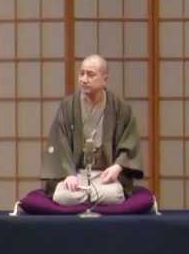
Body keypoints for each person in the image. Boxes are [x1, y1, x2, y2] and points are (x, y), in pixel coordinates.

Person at [40, 54, 144, 206]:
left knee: (113, 195)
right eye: (81, 73)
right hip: (77, 174)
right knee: (63, 196)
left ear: (104, 79)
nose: (84, 79)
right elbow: (59, 143)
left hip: (105, 175)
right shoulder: (68, 107)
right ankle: (90, 197)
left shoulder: (120, 107)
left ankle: (88, 197)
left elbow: (130, 141)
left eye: (90, 74)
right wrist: (69, 174)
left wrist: (117, 167)